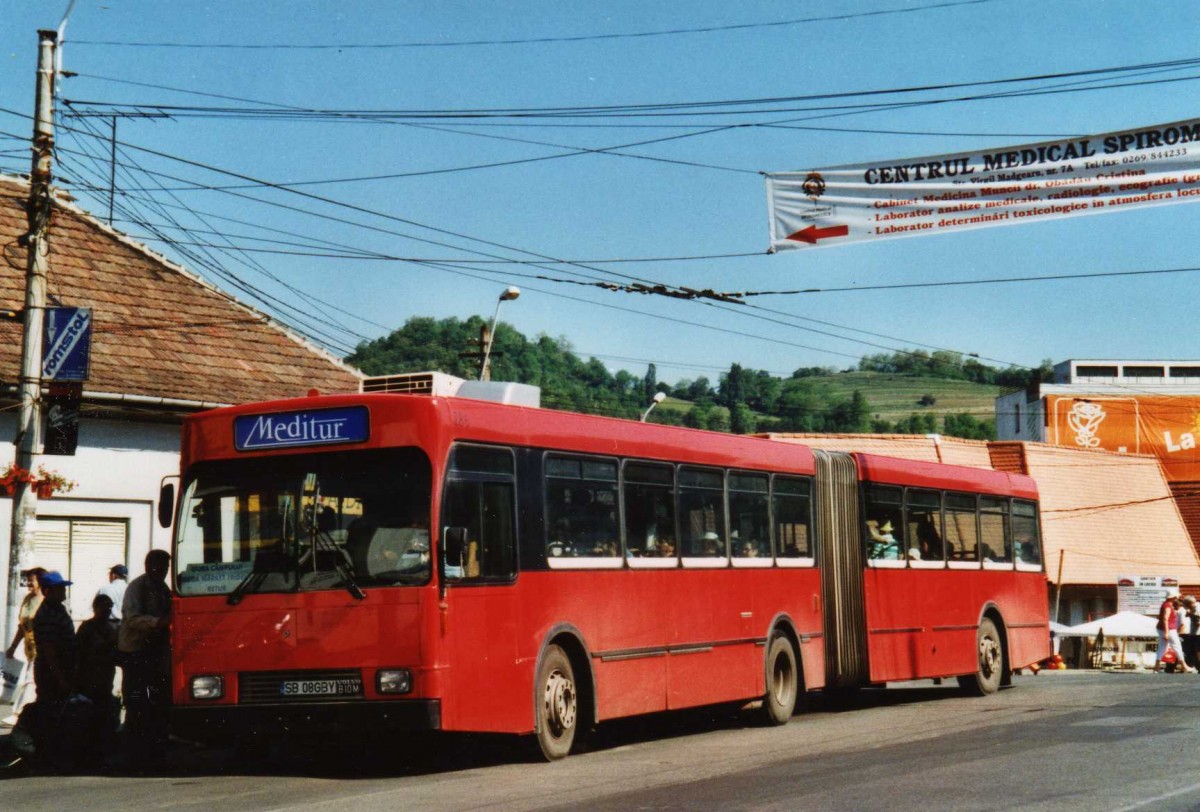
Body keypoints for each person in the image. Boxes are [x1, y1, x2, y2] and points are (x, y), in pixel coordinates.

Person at [119, 549, 172, 766]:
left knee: (156, 702)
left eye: (166, 568)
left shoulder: (163, 588)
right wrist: (158, 622)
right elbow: (132, 619)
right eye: (159, 568)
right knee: (136, 701)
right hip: (134, 651)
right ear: (148, 567)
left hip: (154, 652)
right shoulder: (137, 587)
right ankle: (134, 752)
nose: (162, 572)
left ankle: (154, 749)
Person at [76, 594, 120, 760]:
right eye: (104, 607)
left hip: (105, 678)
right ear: (95, 608)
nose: (107, 611)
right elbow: (80, 653)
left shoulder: (110, 628)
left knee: (105, 713)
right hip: (89, 678)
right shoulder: (87, 628)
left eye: (109, 607)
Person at [3, 567, 46, 725]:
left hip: (43, 648)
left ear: (41, 581)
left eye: (31, 580)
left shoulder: (46, 600)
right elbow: (22, 626)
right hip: (30, 650)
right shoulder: (28, 599)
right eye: (28, 579)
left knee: (31, 680)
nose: (28, 583)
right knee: (33, 680)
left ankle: (18, 713)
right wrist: (13, 647)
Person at [1155, 595, 1193, 673]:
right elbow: (1165, 619)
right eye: (1175, 597)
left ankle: (1156, 667)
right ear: (1172, 598)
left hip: (1163, 629)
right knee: (1177, 647)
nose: (1176, 599)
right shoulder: (1168, 606)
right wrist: (1166, 632)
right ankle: (1184, 666)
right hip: (1170, 629)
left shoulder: (1165, 604)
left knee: (1162, 647)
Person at [1182, 596, 1200, 671]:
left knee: (1197, 650)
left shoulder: (1196, 609)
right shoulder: (1196, 606)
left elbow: (1198, 623)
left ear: (1189, 604)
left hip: (1198, 633)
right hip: (1194, 633)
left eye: (1186, 604)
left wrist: (1190, 615)